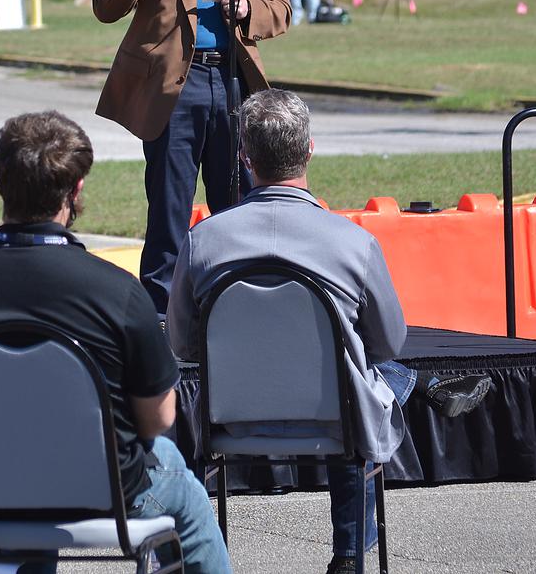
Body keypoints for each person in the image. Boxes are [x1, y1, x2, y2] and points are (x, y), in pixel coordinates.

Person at [166, 90, 492, 574]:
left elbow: (182, 344)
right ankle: (347, 554)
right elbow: (387, 345)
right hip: (335, 420)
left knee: (352, 380)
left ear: (245, 158)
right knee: (356, 381)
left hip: (229, 417)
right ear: (310, 150)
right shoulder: (353, 242)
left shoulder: (204, 240)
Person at [0, 111, 231, 574]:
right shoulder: (117, 291)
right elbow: (159, 416)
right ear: (76, 191)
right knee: (182, 486)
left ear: (0, 183)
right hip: (107, 490)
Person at [93, 0, 291, 313]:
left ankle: (241, 303)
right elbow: (105, 6)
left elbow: (282, 10)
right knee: (168, 208)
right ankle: (162, 313)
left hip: (232, 86)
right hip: (173, 91)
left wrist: (248, 10)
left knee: (240, 202)